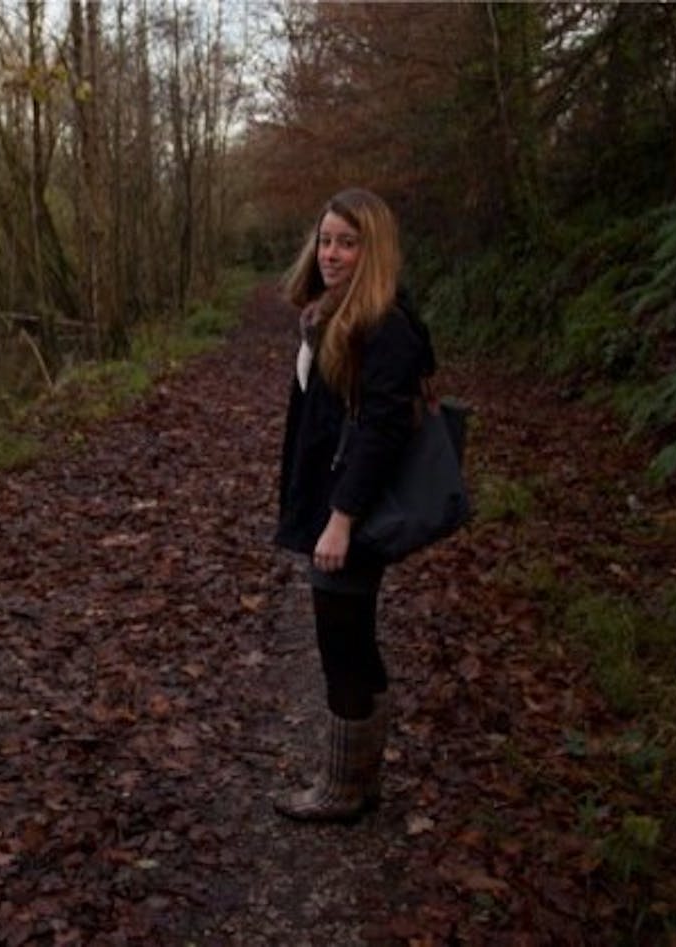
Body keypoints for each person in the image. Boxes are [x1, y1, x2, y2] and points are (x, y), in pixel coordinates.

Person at [273, 187, 435, 822]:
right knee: (351, 639)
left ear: (374, 248)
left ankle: (344, 788)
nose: (332, 253)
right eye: (326, 239)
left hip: (354, 510)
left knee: (341, 641)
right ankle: (359, 779)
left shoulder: (383, 322)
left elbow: (382, 430)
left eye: (347, 241)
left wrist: (341, 520)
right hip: (333, 499)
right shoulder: (329, 312)